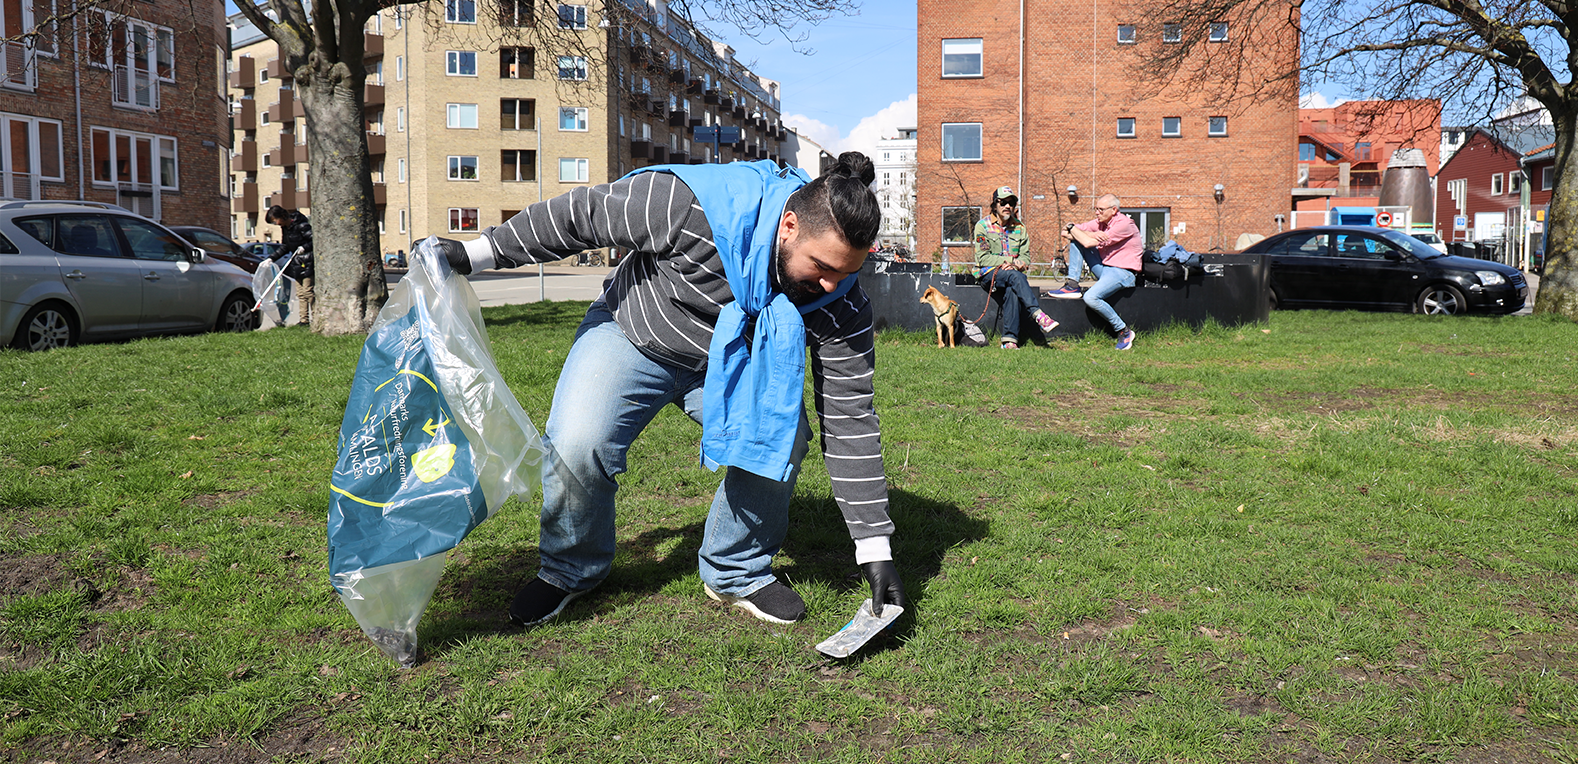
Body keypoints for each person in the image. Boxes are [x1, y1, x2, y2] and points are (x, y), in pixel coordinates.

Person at [421, 153, 908, 628]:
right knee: (578, 440)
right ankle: (571, 569)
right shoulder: (694, 205)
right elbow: (581, 217)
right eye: (822, 266)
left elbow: (850, 421)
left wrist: (874, 549)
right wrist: (479, 252)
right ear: (789, 227)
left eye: (847, 273)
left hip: (733, 361)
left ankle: (735, 570)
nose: (829, 285)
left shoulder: (842, 303)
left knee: (784, 436)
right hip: (635, 334)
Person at [1049, 194, 1141, 350]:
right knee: (1077, 239)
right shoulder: (1100, 223)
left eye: (1101, 209)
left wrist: (1079, 232)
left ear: (1114, 210)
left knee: (1091, 297)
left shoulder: (1124, 225)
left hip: (1123, 272)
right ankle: (1072, 285)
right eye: (1096, 209)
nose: (1097, 213)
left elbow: (1086, 241)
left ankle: (1123, 331)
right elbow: (1066, 231)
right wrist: (1090, 233)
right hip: (1105, 268)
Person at [973, 187, 1058, 349]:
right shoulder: (982, 226)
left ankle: (1009, 341)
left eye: (1011, 203)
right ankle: (1037, 314)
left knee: (1013, 286)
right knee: (1014, 276)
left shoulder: (1020, 228)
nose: (1007, 206)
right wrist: (1010, 260)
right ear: (994, 205)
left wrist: (1020, 263)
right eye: (1003, 202)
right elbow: (983, 258)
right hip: (988, 274)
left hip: (1012, 276)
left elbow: (1026, 258)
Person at [265, 204, 314, 326]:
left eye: (275, 220)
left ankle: (317, 315)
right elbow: (285, 246)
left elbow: (313, 240)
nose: (276, 224)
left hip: (307, 261)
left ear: (282, 216)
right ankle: (304, 320)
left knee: (308, 291)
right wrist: (271, 258)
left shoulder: (301, 224)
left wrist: (304, 247)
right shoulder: (285, 229)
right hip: (297, 262)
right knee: (301, 293)